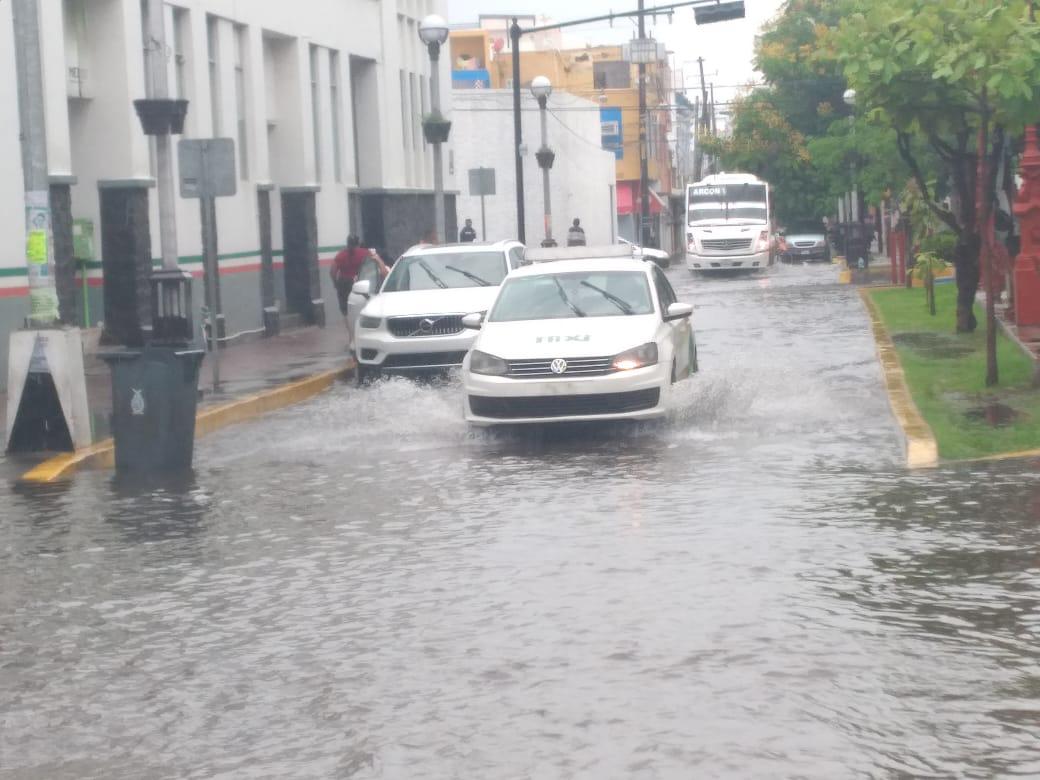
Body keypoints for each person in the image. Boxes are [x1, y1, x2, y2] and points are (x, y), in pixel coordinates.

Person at [331, 235, 369, 316]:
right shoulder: (365, 253)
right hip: (360, 282)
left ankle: (348, 324)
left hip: (344, 283)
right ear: (358, 243)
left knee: (345, 308)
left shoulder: (341, 255)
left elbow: (332, 270)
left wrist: (335, 283)